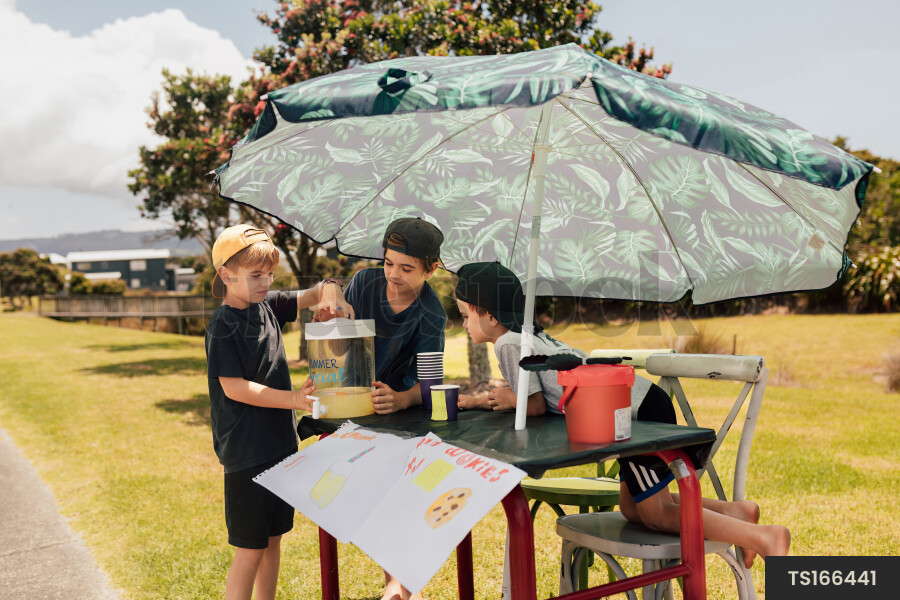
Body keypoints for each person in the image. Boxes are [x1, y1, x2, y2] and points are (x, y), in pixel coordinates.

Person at [454, 261, 791, 566]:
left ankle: (763, 537)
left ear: (490, 316)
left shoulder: (508, 343)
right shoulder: (527, 336)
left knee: (657, 514)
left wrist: (502, 399)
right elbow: (532, 393)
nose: (463, 324)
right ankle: (736, 512)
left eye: (466, 316)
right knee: (633, 509)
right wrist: (488, 400)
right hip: (637, 403)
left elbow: (534, 405)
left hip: (633, 414)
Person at [205, 224, 353, 600]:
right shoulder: (223, 324)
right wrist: (292, 400)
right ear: (226, 274)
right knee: (250, 549)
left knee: (272, 541)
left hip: (280, 448)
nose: (266, 282)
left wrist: (331, 293)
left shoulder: (267, 306)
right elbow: (234, 388)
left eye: (270, 273)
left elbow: (314, 293)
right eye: (256, 275)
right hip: (246, 454)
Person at [321, 217, 447, 416]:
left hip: (393, 410)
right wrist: (333, 326)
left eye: (406, 269)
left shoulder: (432, 314)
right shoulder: (364, 283)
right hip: (351, 397)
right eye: (388, 263)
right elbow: (340, 349)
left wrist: (401, 400)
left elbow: (431, 384)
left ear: (431, 270)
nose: (394, 274)